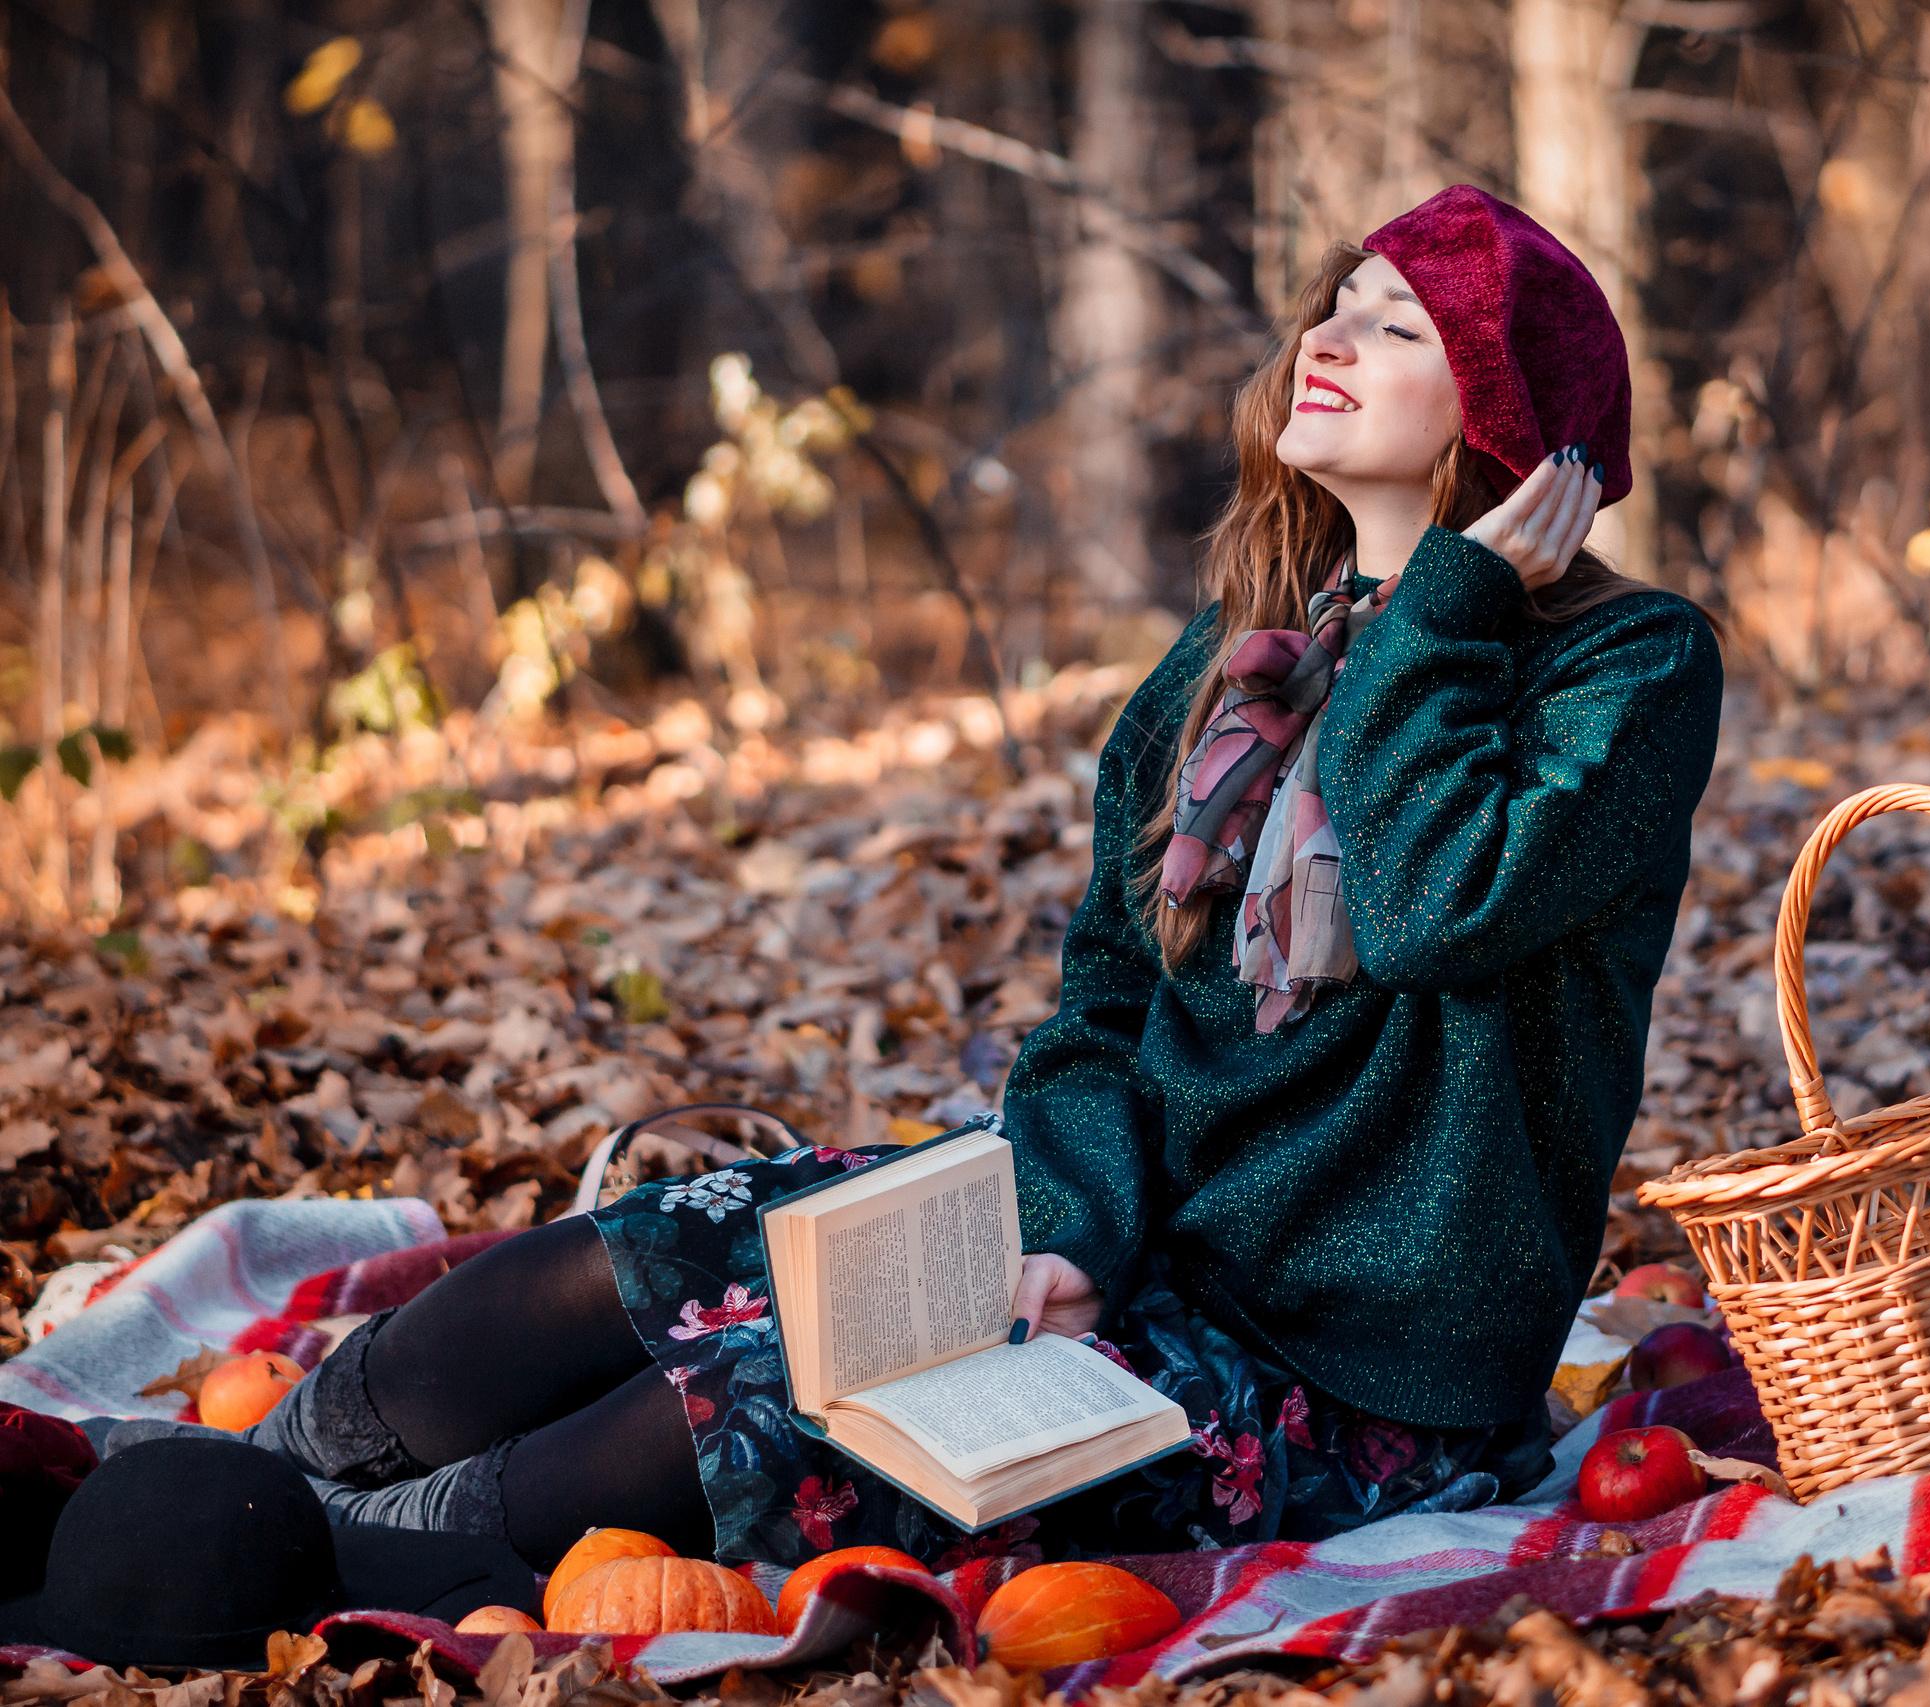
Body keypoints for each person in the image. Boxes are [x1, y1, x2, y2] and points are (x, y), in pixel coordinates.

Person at [229, 185, 1724, 1572]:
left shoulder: (1629, 668)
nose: (1324, 342)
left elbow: (1432, 908)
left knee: (743, 1414)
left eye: (1398, 329)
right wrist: (1072, 1222)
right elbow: (1108, 999)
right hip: (1135, 1228)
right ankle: (236, 1474)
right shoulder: (1248, 655)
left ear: (1516, 430)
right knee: (625, 1262)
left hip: (1350, 1367)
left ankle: (319, 1566)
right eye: (1334, 308)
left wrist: (1447, 606)